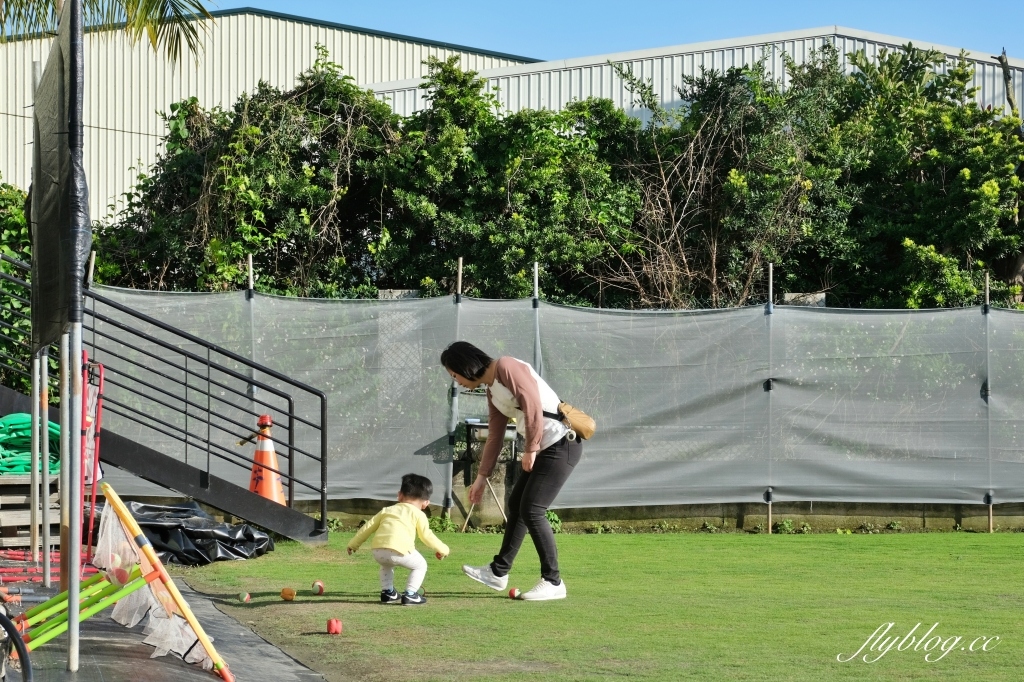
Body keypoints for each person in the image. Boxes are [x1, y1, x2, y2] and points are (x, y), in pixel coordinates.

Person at [441, 340, 582, 601]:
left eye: (454, 375)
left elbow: (531, 402)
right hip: (544, 448)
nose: (457, 382)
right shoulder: (491, 391)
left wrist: (531, 448)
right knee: (517, 505)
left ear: (465, 366)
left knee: (532, 509)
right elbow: (495, 436)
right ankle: (498, 572)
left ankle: (553, 581)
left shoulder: (506, 367)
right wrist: (481, 478)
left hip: (561, 444)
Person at [347, 473, 450, 606]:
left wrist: (353, 544)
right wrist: (443, 549)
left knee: (386, 564)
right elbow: (426, 536)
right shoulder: (418, 514)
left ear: (399, 495)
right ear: (426, 503)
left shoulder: (386, 510)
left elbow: (367, 527)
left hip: (378, 551)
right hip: (400, 550)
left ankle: (388, 592)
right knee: (420, 565)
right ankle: (410, 594)